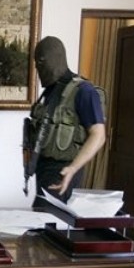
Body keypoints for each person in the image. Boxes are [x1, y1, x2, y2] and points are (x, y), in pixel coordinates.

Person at [29, 36, 106, 206]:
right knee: (42, 220)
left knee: (47, 221)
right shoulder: (51, 91)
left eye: (40, 62)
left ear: (53, 60)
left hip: (62, 170)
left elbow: (98, 135)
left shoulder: (83, 91)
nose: (37, 68)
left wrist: (73, 168)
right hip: (44, 170)